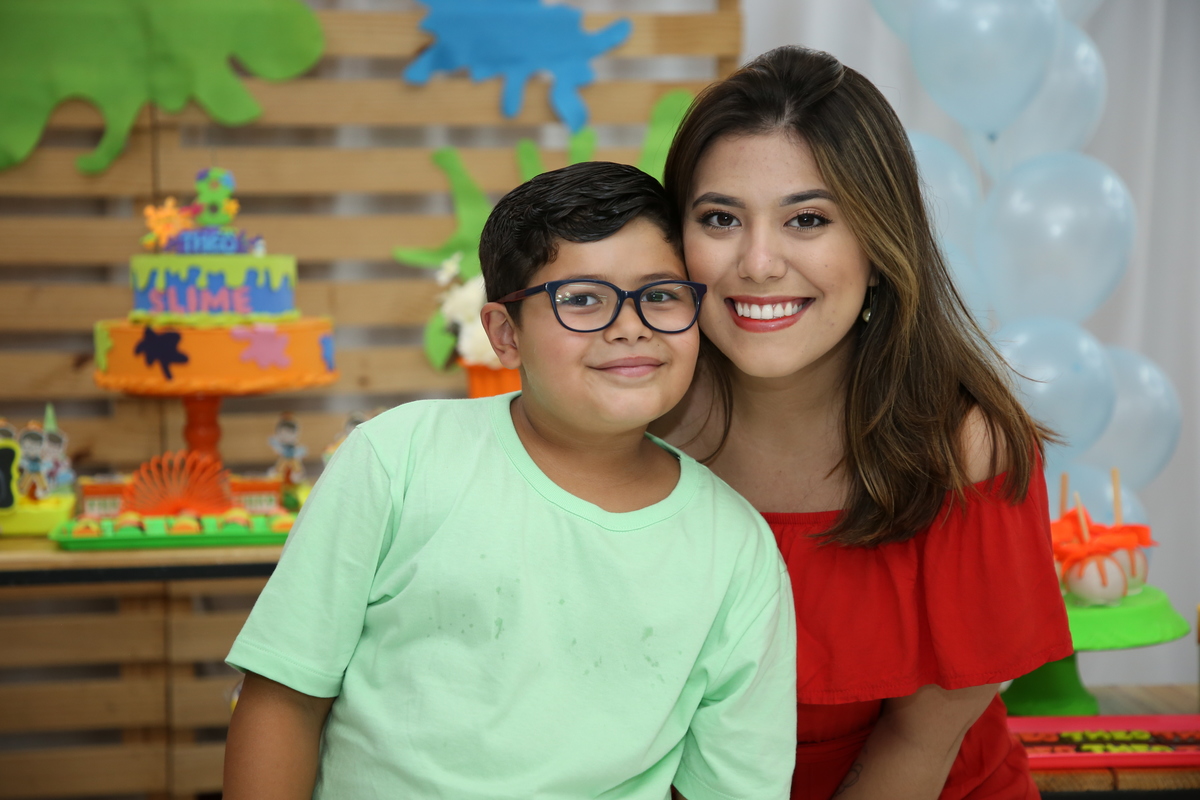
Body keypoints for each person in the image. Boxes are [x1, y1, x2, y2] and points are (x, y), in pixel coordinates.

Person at [223, 161, 798, 800]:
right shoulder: (397, 458)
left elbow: (730, 784)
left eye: (661, 295)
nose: (630, 325)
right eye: (582, 299)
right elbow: (284, 700)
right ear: (505, 334)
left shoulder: (736, 548)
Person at [655, 47, 1073, 800]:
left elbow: (919, 744)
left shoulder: (968, 448)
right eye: (720, 218)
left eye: (807, 219)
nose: (758, 262)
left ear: (880, 245)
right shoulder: (637, 428)